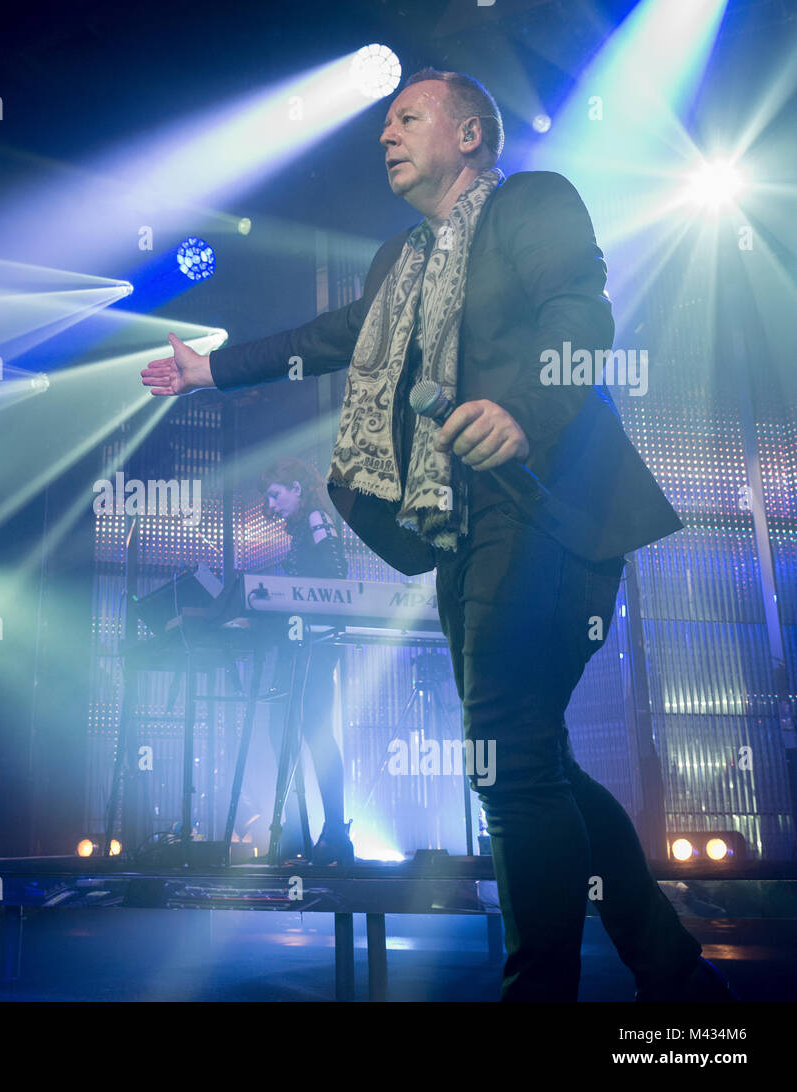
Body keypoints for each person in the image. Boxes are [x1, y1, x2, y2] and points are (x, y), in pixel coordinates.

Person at [141, 69, 734, 1002]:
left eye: (406, 117)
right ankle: (678, 979)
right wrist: (214, 371)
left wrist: (527, 411)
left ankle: (540, 991)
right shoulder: (398, 262)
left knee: (506, 755)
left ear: (469, 136)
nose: (386, 135)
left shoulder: (532, 203)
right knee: (533, 753)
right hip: (459, 521)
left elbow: (581, 314)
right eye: (382, 124)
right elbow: (332, 335)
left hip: (547, 503)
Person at [258, 457, 353, 865]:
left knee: (311, 733)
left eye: (275, 495)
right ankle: (312, 834)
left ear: (297, 488)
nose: (271, 504)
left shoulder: (316, 517)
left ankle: (329, 835)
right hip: (302, 642)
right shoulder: (301, 525)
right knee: (291, 730)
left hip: (315, 641)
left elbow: (336, 571)